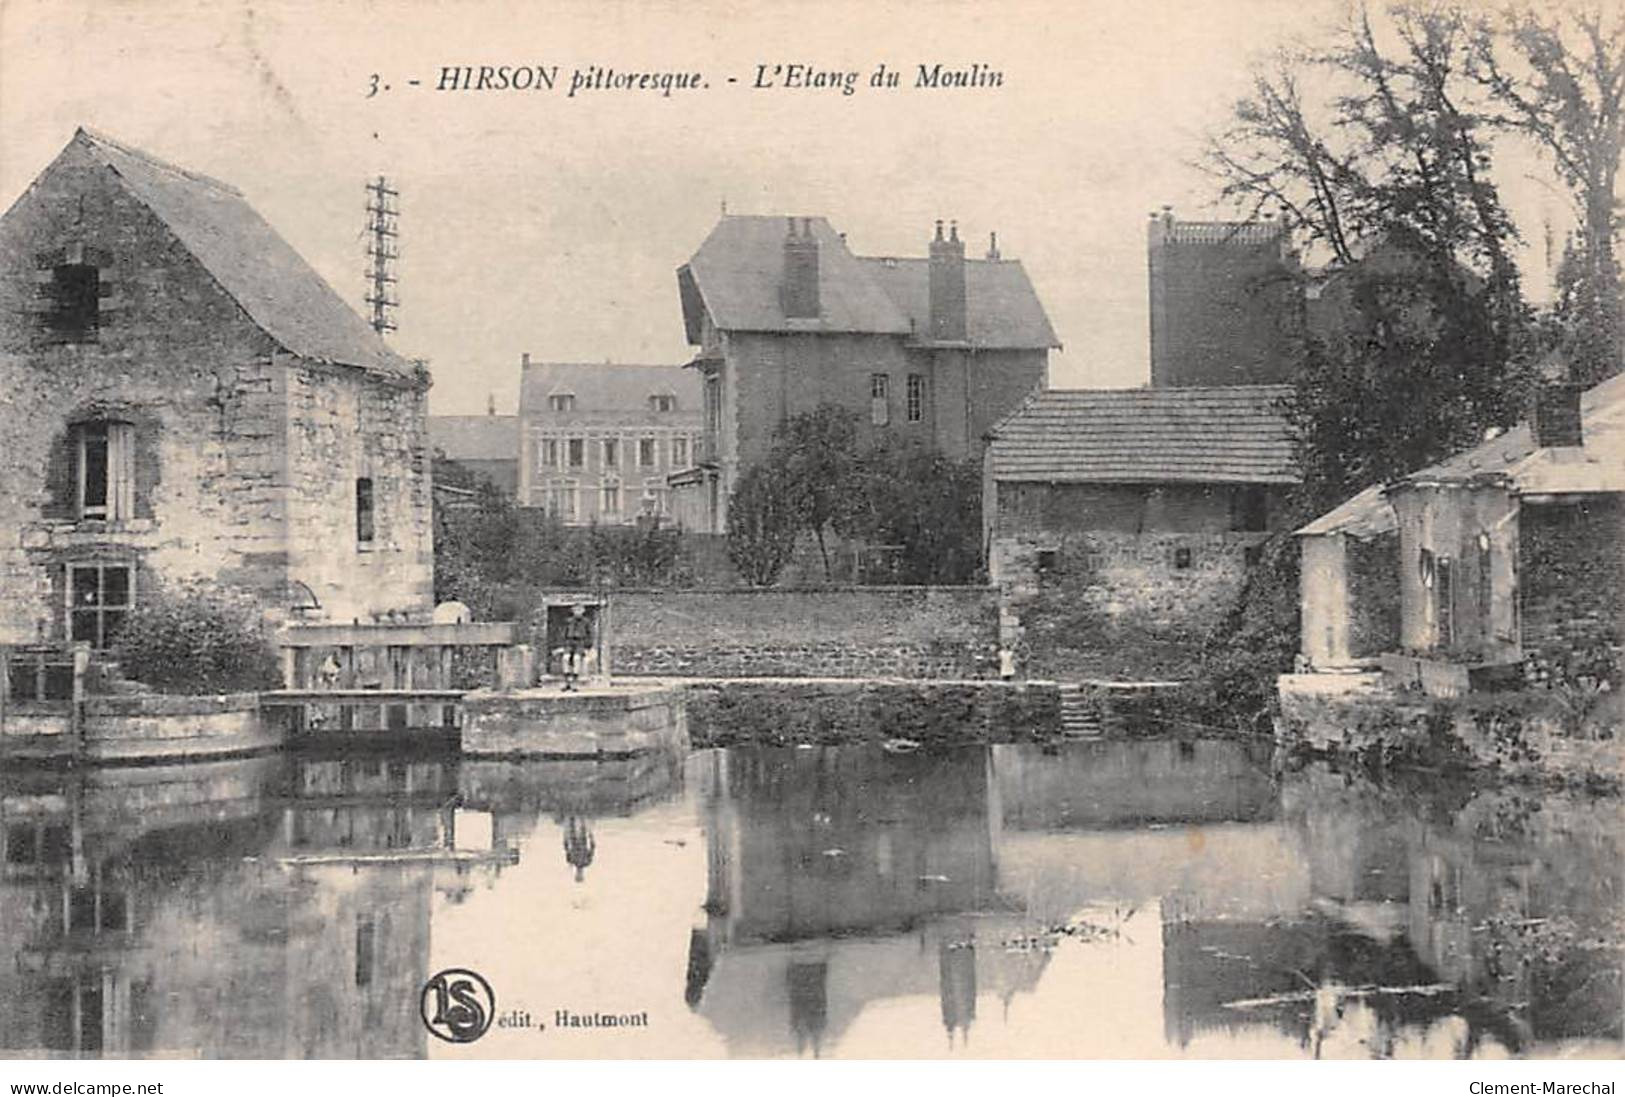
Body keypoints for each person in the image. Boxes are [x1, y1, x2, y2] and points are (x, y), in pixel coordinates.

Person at [560, 603, 592, 692]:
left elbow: (590, 634)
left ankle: (574, 681)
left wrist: (587, 647)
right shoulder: (568, 621)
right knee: (565, 658)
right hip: (569, 642)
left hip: (580, 642)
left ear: (583, 611)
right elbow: (564, 634)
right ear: (572, 611)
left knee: (577, 659)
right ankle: (566, 681)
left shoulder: (586, 622)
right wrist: (562, 645)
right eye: (575, 610)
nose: (577, 612)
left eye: (579, 610)